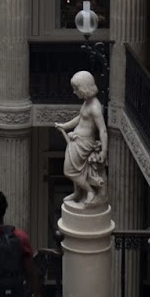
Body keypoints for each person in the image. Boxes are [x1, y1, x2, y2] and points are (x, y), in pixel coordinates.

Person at [55, 70, 107, 208]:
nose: (74, 92)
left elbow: (102, 130)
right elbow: (80, 118)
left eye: (76, 88)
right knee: (78, 170)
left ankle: (90, 191)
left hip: (84, 144)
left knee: (70, 171)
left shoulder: (95, 107)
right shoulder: (87, 102)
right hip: (77, 141)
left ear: (84, 88)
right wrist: (65, 126)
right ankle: (78, 192)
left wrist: (104, 151)